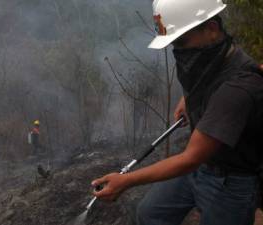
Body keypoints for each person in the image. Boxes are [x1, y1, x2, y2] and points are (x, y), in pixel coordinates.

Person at [91, 0, 263, 224]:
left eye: (180, 40)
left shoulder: (238, 88)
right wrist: (190, 99)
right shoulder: (211, 57)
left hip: (230, 182)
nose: (178, 50)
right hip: (202, 166)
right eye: (173, 43)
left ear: (211, 29)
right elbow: (207, 81)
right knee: (150, 213)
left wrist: (126, 181)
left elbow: (190, 158)